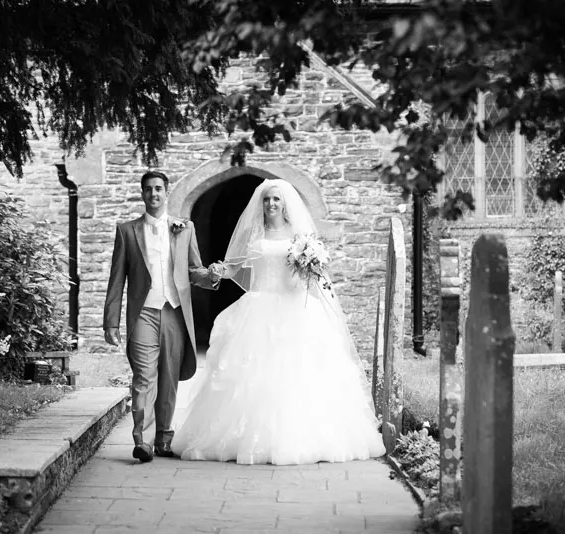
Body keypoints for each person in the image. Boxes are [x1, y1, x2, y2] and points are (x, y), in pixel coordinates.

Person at [171, 179, 386, 465]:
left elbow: (315, 273)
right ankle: (245, 437)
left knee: (297, 373)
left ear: (285, 204)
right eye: (266, 199)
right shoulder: (253, 234)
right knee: (250, 374)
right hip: (257, 306)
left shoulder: (299, 235)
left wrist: (309, 264)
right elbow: (234, 266)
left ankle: (298, 437)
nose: (271, 204)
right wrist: (217, 271)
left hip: (293, 307)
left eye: (276, 199)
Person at [103, 170, 221, 463]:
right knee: (144, 377)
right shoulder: (127, 231)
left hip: (174, 313)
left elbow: (195, 271)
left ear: (165, 192)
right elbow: (117, 279)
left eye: (158, 189)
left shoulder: (184, 229)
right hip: (143, 313)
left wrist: (212, 277)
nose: (153, 194)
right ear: (142, 194)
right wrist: (110, 322)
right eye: (148, 189)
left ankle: (164, 440)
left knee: (169, 378)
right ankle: (141, 440)